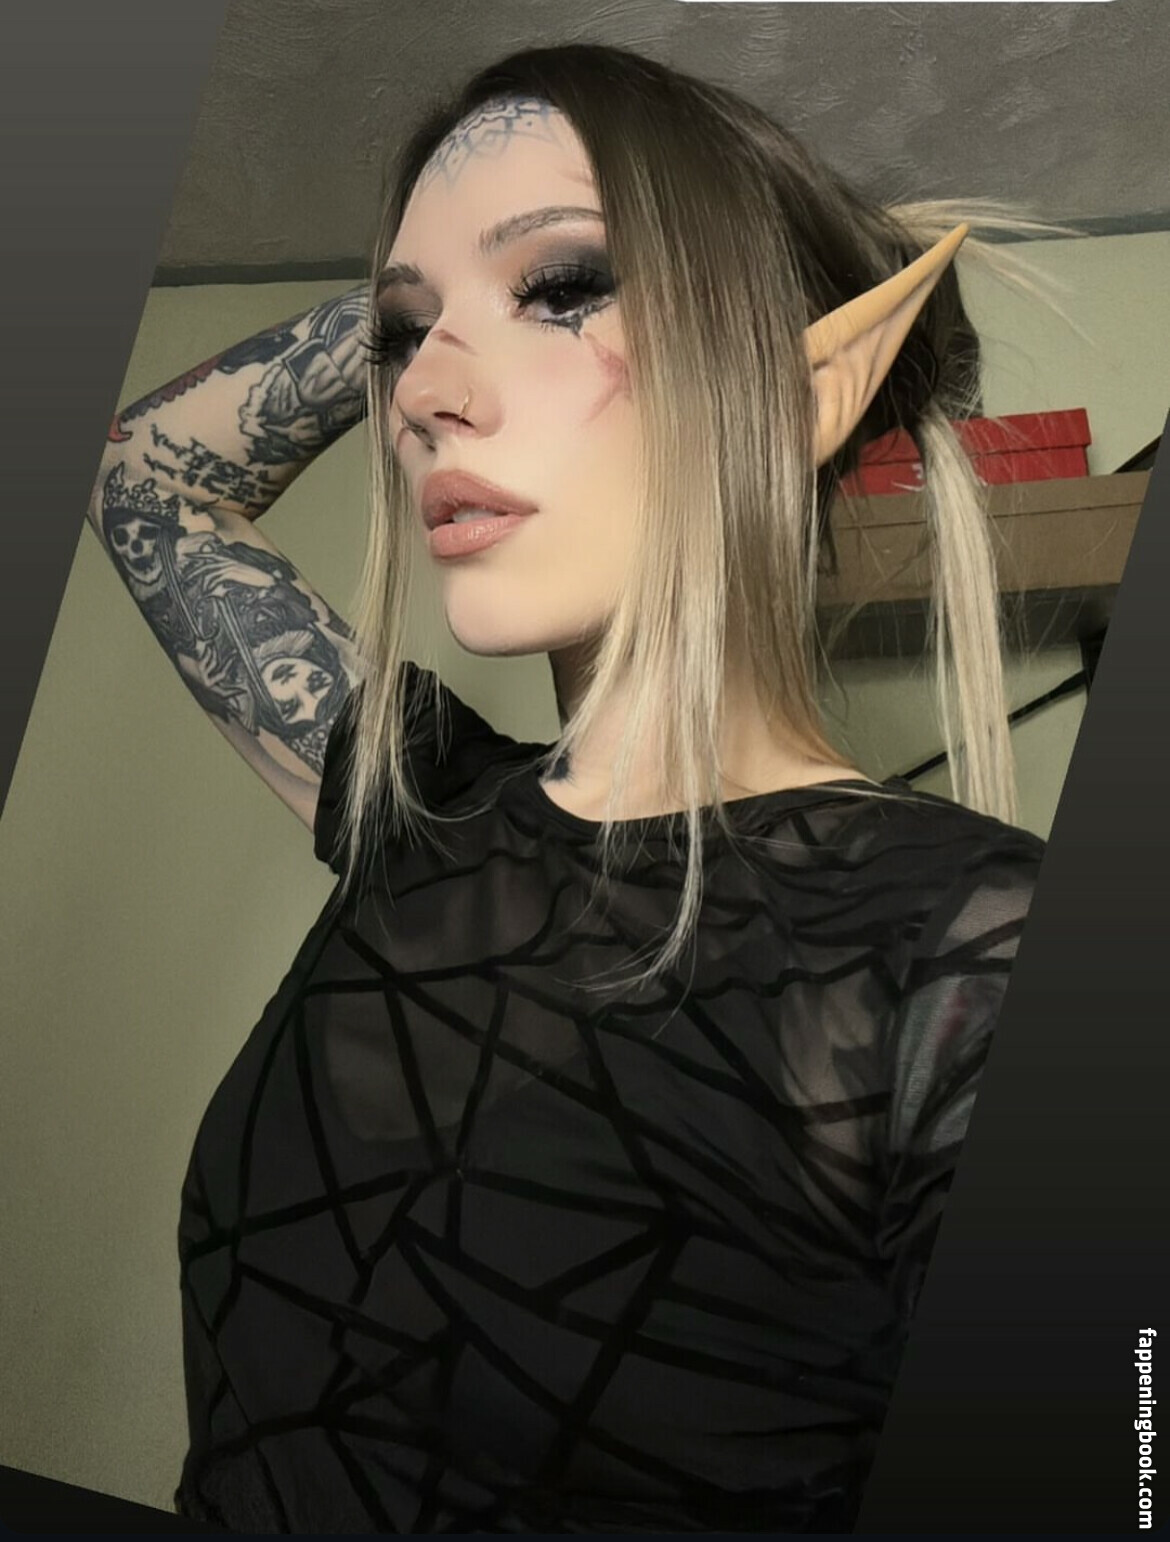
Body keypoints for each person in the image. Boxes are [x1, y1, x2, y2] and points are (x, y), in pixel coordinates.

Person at [89, 42, 1044, 1535]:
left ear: (798, 385)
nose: (425, 398)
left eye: (563, 286)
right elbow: (146, 478)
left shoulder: (975, 947)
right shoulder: (423, 817)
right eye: (408, 338)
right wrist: (432, 302)